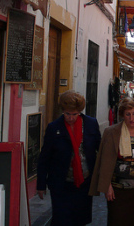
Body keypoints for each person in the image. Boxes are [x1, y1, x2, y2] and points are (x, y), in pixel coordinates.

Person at [89, 97, 134, 226]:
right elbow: (105, 161)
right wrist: (107, 186)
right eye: (128, 114)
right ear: (122, 115)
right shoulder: (111, 132)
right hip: (117, 190)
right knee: (117, 220)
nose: (131, 118)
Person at [36, 90, 102, 225]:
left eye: (74, 114)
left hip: (84, 183)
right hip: (61, 183)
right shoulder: (54, 128)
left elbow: (99, 149)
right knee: (61, 220)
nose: (71, 117)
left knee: (80, 219)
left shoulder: (90, 124)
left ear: (79, 112)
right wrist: (41, 184)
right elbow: (45, 157)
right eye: (67, 114)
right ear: (63, 110)